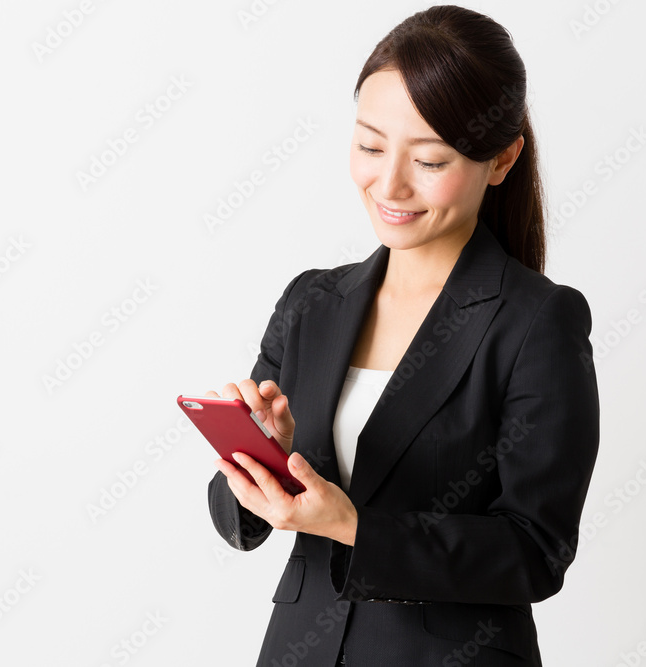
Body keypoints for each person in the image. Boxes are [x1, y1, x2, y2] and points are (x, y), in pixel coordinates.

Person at [204, 5, 600, 666]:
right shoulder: (312, 302)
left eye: (430, 159)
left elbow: (536, 551)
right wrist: (263, 454)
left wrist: (354, 526)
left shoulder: (537, 321)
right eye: (370, 146)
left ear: (501, 158)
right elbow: (235, 519)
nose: (389, 184)